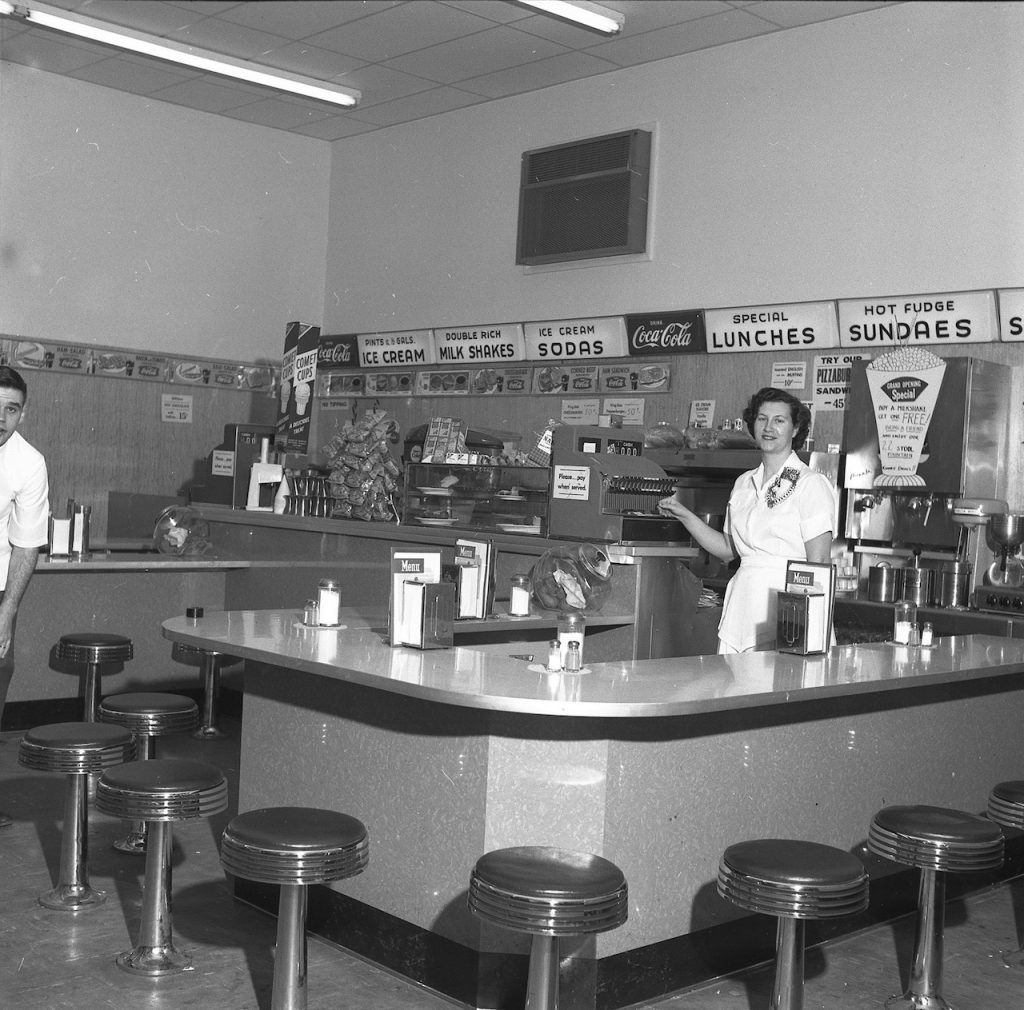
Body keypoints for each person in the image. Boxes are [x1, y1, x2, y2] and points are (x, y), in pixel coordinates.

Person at [658, 387, 837, 653]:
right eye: (762, 418)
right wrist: (685, 515)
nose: (769, 427)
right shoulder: (743, 483)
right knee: (739, 688)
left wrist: (804, 629)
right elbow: (728, 550)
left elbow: (819, 563)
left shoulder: (811, 484)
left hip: (788, 607)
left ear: (796, 428)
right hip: (743, 604)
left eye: (779, 420)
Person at [0, 367, 50, 827]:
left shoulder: (29, 462)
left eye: (10, 409)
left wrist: (7, 610)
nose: (0, 417)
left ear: (22, 413)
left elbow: (27, 541)